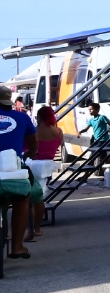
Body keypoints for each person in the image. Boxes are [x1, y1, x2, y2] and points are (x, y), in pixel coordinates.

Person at [0, 87, 39, 258]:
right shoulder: (22, 117)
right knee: (22, 199)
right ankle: (17, 246)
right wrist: (29, 154)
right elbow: (33, 145)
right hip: (12, 168)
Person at [26, 106, 63, 242]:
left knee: (28, 199)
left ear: (39, 117)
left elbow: (27, 148)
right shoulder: (59, 132)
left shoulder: (33, 131)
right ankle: (37, 228)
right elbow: (58, 146)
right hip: (47, 167)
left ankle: (29, 227)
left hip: (32, 165)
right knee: (39, 198)